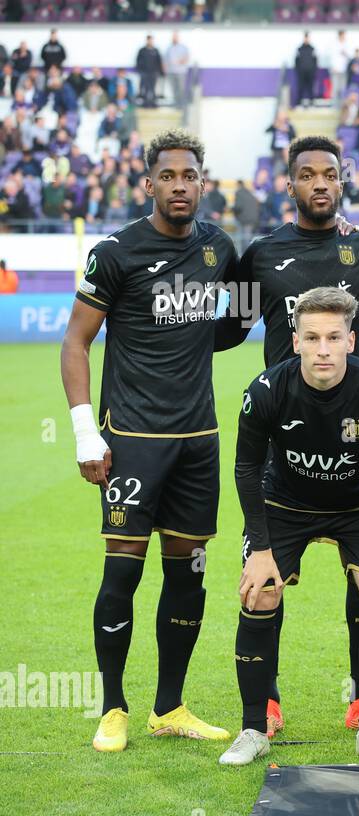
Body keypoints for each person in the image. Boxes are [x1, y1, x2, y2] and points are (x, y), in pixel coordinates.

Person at [60, 129, 238, 753]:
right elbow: (77, 341)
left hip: (199, 441)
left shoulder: (218, 247)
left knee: (188, 575)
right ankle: (113, 707)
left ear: (202, 181)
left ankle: (171, 705)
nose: (180, 185)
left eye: (190, 175)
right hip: (133, 440)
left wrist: (193, 338)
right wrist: (85, 433)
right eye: (168, 176)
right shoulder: (115, 253)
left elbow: (238, 317)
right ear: (149, 184)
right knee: (122, 575)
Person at [217, 135, 359, 740]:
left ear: (343, 182)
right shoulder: (260, 255)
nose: (320, 183)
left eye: (331, 174)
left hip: (356, 444)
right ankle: (263, 703)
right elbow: (230, 328)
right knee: (264, 581)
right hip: (283, 446)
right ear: (289, 184)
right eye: (307, 175)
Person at [220, 287, 359, 766]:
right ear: (296, 341)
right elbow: (245, 469)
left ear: (350, 341)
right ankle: (254, 727)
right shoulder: (265, 390)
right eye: (312, 337)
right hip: (285, 502)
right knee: (260, 591)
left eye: (333, 337)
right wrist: (260, 549)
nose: (323, 348)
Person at [136, 35, 162, 109]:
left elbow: (159, 62)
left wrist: (160, 72)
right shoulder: (142, 50)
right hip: (144, 73)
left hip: (153, 73)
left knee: (153, 89)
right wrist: (140, 71)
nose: (150, 41)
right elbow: (138, 61)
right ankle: (145, 103)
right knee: (145, 89)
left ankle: (153, 103)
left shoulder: (155, 50)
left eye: (151, 40)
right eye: (148, 40)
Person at [294, 32, 317, 107]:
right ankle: (299, 102)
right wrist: (298, 70)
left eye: (307, 38)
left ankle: (311, 101)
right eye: (305, 38)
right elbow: (296, 61)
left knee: (310, 87)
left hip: (310, 72)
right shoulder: (299, 49)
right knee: (300, 87)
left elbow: (315, 61)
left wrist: (314, 70)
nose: (306, 39)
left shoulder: (312, 49)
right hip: (301, 72)